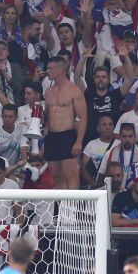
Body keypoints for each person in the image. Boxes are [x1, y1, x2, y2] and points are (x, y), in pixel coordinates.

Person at [43, 55, 87, 189]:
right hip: (51, 137)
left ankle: (73, 210)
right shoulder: (48, 91)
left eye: (50, 68)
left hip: (67, 136)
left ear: (60, 70)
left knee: (71, 176)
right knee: (56, 178)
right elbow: (47, 115)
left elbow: (83, 117)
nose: (47, 71)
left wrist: (79, 141)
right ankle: (61, 209)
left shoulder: (74, 90)